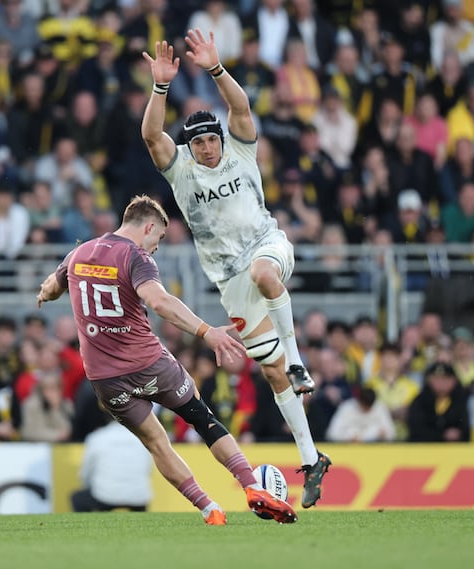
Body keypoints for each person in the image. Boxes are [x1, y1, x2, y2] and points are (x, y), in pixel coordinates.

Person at [139, 30, 331, 506]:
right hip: (227, 278)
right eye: (198, 142)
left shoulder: (241, 148)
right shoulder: (180, 167)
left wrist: (216, 69)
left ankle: (299, 360)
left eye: (210, 138)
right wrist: (160, 87)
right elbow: (150, 135)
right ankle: (311, 459)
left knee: (267, 276)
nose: (206, 147)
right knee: (271, 374)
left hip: (266, 245)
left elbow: (241, 108)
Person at [36, 195, 296, 525]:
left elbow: (53, 285)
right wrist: (206, 332)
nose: (156, 246)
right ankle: (251, 486)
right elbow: (158, 302)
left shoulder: (78, 253)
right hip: (148, 364)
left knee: (156, 442)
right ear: (148, 226)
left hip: (104, 378)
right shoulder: (136, 256)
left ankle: (209, 509)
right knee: (202, 419)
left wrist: (44, 293)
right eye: (158, 237)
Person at [72, 417, 154, 512]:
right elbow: (148, 469)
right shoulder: (142, 437)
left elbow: (86, 472)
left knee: (77, 499)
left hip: (105, 495)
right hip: (139, 496)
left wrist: (88, 485)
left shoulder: (97, 437)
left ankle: (92, 526)